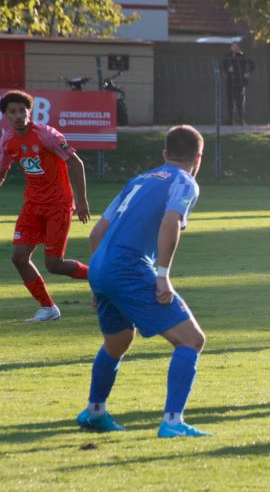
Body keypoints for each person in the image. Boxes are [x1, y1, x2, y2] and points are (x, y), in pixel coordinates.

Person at [76, 125, 210, 437]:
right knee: (192, 340)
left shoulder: (139, 180)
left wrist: (99, 282)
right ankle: (173, 423)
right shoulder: (184, 181)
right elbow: (170, 221)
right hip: (128, 267)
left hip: (101, 266)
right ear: (198, 158)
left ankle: (95, 412)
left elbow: (96, 233)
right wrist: (163, 276)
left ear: (164, 154)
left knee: (118, 340)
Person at [0, 89, 90, 322]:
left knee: (54, 265)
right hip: (33, 205)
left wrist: (82, 201)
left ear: (29, 112)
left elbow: (76, 163)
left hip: (58, 205)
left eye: (22, 111)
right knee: (19, 257)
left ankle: (101, 277)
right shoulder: (7, 140)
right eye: (12, 112)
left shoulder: (46, 135)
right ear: (6, 116)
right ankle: (48, 308)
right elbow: (2, 170)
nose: (18, 116)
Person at [222, 41, 255, 126]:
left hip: (240, 82)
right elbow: (223, 65)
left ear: (239, 48)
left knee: (240, 101)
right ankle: (230, 120)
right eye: (233, 47)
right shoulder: (228, 56)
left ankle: (241, 119)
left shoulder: (242, 56)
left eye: (236, 47)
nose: (235, 48)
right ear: (231, 47)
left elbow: (252, 64)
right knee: (230, 102)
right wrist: (228, 69)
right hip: (230, 81)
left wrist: (248, 73)